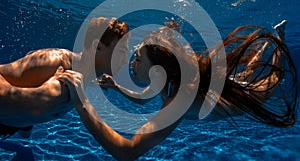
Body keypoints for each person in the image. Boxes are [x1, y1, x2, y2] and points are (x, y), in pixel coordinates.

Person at [57, 20, 298, 160]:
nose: (132, 62)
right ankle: (267, 46)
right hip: (217, 92)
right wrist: (117, 87)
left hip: (242, 102)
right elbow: (143, 100)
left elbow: (128, 152)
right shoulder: (165, 81)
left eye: (139, 59)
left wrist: (83, 103)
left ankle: (278, 44)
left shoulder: (179, 100)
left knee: (265, 85)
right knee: (239, 77)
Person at [0, 17, 129, 138]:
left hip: (16, 124)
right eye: (122, 51)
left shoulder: (84, 76)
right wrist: (39, 97)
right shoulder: (54, 65)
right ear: (97, 47)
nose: (126, 60)